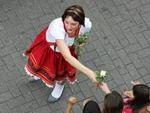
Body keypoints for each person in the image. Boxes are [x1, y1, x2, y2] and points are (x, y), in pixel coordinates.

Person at [23, 5, 98, 103]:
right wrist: (90, 73)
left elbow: (83, 36)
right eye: (66, 22)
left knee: (62, 73)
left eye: (73, 24)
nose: (69, 27)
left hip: (67, 51)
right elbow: (67, 56)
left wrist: (80, 42)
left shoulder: (86, 25)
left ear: (80, 23)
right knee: (41, 65)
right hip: (49, 51)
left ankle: (59, 86)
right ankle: (39, 74)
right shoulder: (57, 26)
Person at [66, 81, 150, 113]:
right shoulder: (144, 104)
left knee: (90, 104)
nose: (129, 92)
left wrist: (70, 105)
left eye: (133, 93)